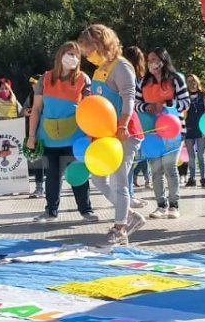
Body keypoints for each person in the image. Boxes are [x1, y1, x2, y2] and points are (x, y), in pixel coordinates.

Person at [78, 24, 145, 244]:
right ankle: (130, 216)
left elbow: (129, 98)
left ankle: (120, 229)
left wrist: (123, 125)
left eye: (88, 49)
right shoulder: (99, 69)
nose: (86, 55)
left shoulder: (122, 66)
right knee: (98, 178)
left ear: (101, 44)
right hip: (105, 134)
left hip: (125, 132)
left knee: (120, 180)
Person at [27, 42, 98, 222]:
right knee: (52, 176)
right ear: (60, 55)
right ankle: (50, 211)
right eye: (69, 53)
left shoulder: (83, 79)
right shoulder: (45, 78)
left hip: (75, 137)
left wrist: (90, 135)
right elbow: (36, 109)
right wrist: (31, 136)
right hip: (49, 136)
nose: (72, 58)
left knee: (78, 173)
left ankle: (86, 210)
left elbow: (89, 108)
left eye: (76, 55)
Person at [137, 48, 189, 219]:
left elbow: (185, 102)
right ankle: (161, 205)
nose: (151, 63)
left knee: (170, 167)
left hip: (173, 131)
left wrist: (166, 104)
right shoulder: (143, 82)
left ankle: (174, 205)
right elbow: (135, 104)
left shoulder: (176, 79)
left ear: (163, 60)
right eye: (149, 60)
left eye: (155, 59)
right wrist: (147, 106)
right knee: (156, 170)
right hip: (151, 132)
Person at [125, 46, 150, 192]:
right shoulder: (140, 79)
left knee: (130, 160)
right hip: (140, 120)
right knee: (136, 157)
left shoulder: (124, 75)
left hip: (132, 119)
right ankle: (130, 192)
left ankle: (130, 191)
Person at [183, 74, 205, 188]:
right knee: (191, 156)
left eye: (193, 80)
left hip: (201, 128)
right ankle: (192, 179)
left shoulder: (204, 94)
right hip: (189, 127)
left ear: (197, 81)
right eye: (189, 81)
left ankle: (203, 179)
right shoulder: (185, 95)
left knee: (200, 155)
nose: (192, 83)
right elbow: (181, 112)